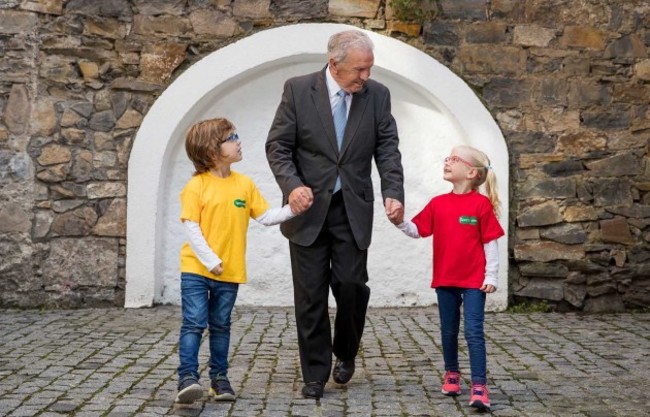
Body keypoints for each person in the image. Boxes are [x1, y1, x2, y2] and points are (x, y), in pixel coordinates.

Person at [265, 29, 405, 399]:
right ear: (334, 64)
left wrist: (393, 192)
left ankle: (345, 351)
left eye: (369, 69)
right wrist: (292, 185)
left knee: (351, 286)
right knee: (310, 296)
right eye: (359, 70)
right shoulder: (297, 89)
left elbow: (388, 148)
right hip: (308, 210)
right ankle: (314, 373)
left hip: (352, 208)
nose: (366, 77)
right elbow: (278, 145)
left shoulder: (377, 96)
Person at [175, 117, 310, 404]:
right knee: (194, 323)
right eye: (231, 137)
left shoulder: (244, 185)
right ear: (212, 150)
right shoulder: (196, 186)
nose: (238, 141)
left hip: (231, 272)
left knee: (221, 325)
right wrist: (210, 260)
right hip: (197, 269)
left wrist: (293, 210)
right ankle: (187, 377)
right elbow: (191, 226)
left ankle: (219, 379)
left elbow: (265, 217)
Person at [396, 145, 504, 411]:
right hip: (445, 280)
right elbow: (417, 229)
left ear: (470, 172)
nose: (447, 161)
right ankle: (452, 374)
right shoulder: (438, 204)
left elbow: (490, 242)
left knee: (473, 331)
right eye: (448, 157)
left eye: (455, 159)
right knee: (448, 330)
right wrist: (399, 221)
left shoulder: (481, 204)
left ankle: (479, 385)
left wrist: (491, 275)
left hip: (474, 282)